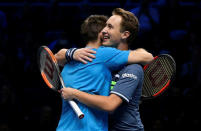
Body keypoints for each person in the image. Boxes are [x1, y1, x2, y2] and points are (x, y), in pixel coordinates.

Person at [55, 9, 153, 131]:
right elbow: (56, 58)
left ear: (125, 35)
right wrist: (71, 52)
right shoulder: (100, 62)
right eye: (105, 26)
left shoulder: (133, 68)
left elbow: (110, 104)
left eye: (110, 27)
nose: (104, 30)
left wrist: (74, 93)